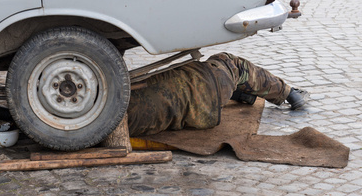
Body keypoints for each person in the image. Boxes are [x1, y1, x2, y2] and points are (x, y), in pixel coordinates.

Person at [127, 53, 308, 137]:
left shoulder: (120, 122)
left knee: (228, 76)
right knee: (233, 64)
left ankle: (237, 92)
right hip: (209, 80)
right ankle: (288, 93)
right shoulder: (118, 92)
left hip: (202, 113)